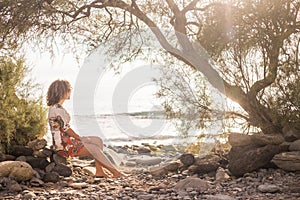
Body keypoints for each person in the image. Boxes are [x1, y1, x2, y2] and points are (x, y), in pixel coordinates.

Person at [47, 79, 126, 178]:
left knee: (97, 140)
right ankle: (116, 172)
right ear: (62, 91)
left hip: (67, 140)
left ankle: (99, 171)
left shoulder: (57, 108)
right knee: (94, 148)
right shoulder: (56, 109)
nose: (70, 90)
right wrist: (80, 138)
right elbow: (66, 129)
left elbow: (65, 128)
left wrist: (80, 138)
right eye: (69, 88)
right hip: (64, 145)